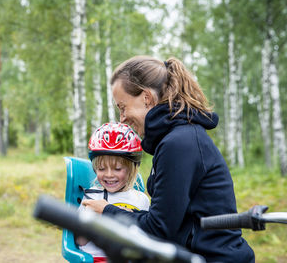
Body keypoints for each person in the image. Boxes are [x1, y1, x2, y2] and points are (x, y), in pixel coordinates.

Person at [82, 56, 255, 262]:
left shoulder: (179, 143)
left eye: (122, 107)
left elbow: (157, 229)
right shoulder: (175, 139)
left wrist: (107, 211)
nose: (122, 118)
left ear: (146, 97)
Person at [77, 122, 150, 263]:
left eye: (117, 169)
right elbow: (80, 241)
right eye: (102, 168)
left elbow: (146, 240)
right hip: (95, 259)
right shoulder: (91, 197)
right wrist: (91, 217)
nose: (109, 175)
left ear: (131, 169)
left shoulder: (141, 200)